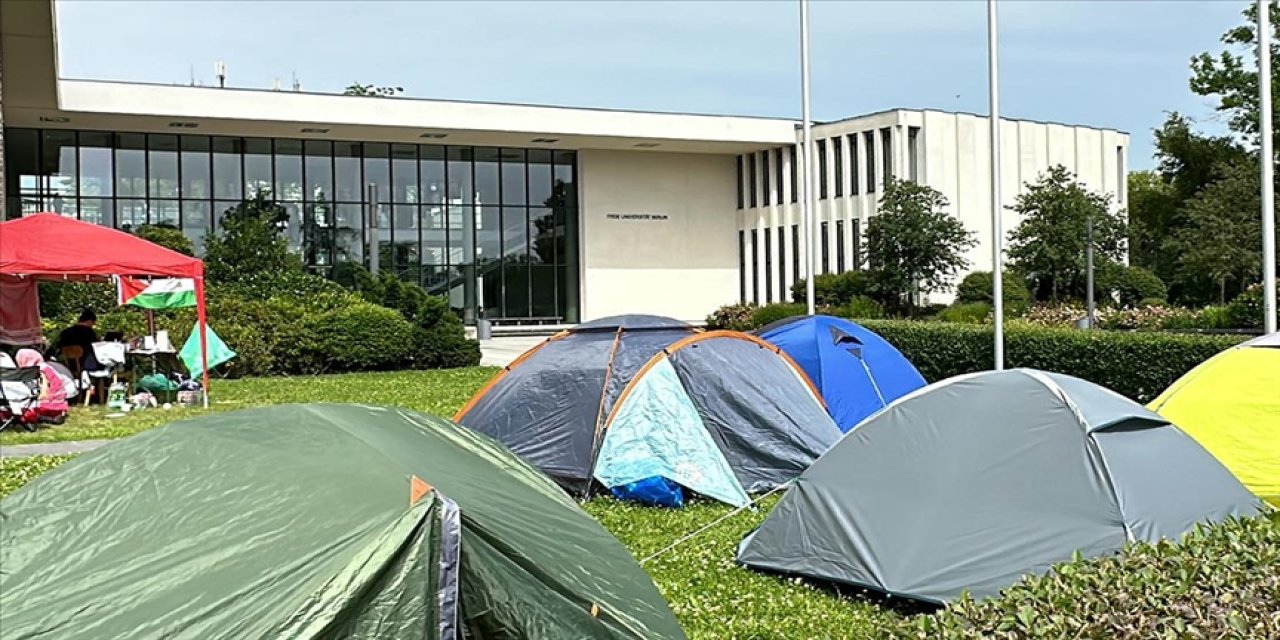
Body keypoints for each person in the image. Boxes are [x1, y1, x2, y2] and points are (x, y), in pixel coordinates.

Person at [15, 349, 68, 424]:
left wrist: (37, 398)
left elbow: (44, 388)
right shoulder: (46, 367)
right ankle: (54, 415)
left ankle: (45, 418)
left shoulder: (39, 370)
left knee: (26, 411)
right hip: (59, 401)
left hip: (48, 400)